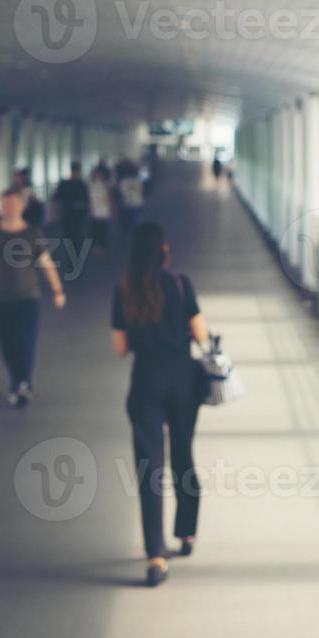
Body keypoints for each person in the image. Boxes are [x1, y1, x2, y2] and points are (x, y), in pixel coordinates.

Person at [110, 223, 208, 587]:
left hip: (145, 383)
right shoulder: (180, 284)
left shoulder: (124, 292)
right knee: (183, 454)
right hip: (183, 382)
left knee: (149, 468)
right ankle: (185, 532)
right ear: (164, 250)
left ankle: (155, 554)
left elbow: (120, 349)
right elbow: (200, 334)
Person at [0, 187, 67, 406]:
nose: (8, 208)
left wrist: (57, 290)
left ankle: (22, 382)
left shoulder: (32, 233)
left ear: (21, 207)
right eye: (5, 204)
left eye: (12, 203)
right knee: (7, 342)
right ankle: (17, 379)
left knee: (25, 340)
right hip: (0, 298)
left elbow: (46, 263)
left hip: (28, 297)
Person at [54, 161, 91, 254]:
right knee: (77, 235)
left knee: (68, 235)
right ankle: (76, 255)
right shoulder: (81, 184)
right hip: (78, 215)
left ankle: (71, 254)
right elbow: (86, 200)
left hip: (67, 213)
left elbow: (56, 198)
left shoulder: (64, 183)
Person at [87, 164, 115, 255]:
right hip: (94, 210)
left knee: (103, 229)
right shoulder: (90, 185)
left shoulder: (105, 185)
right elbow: (88, 198)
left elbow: (109, 197)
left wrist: (111, 208)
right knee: (95, 229)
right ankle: (96, 246)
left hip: (103, 210)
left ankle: (102, 246)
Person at [116, 161, 145, 239]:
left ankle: (126, 238)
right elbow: (142, 190)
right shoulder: (137, 181)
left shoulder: (123, 181)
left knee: (126, 224)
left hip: (127, 204)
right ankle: (133, 238)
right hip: (134, 204)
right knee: (134, 223)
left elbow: (120, 193)